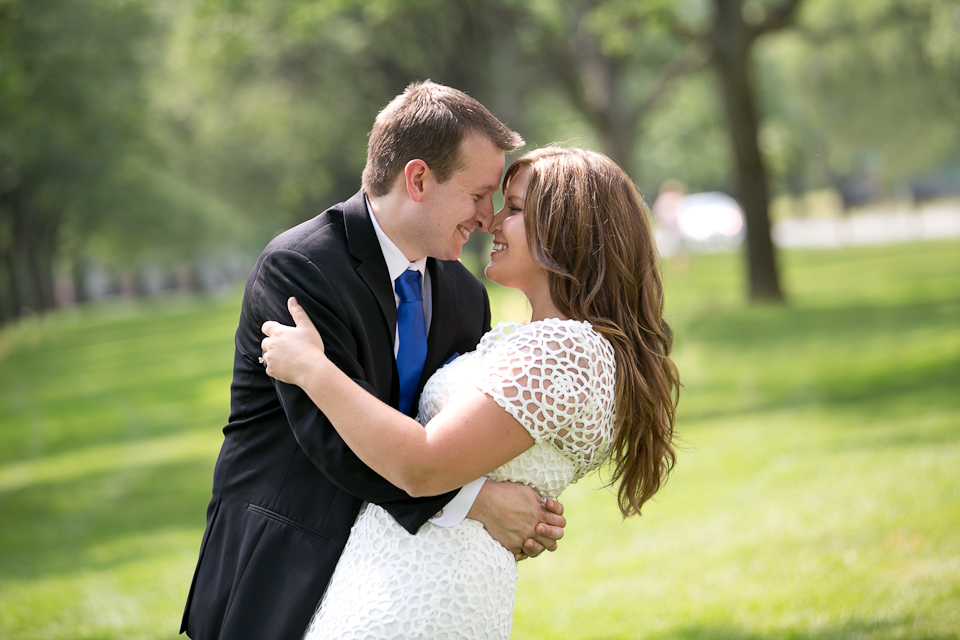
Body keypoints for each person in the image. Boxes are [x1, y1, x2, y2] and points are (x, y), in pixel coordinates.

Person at [180, 81, 568, 640]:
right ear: (418, 179)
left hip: (393, 577)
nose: (488, 217)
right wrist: (478, 502)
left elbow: (453, 430)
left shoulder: (464, 295)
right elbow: (331, 440)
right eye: (479, 194)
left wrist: (524, 502)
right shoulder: (300, 268)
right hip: (287, 569)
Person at [260, 146, 681, 639]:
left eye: (516, 209)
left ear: (569, 233)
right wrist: (480, 500)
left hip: (420, 597)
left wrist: (313, 369)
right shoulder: (545, 342)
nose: (493, 221)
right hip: (402, 581)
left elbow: (424, 465)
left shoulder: (564, 349)